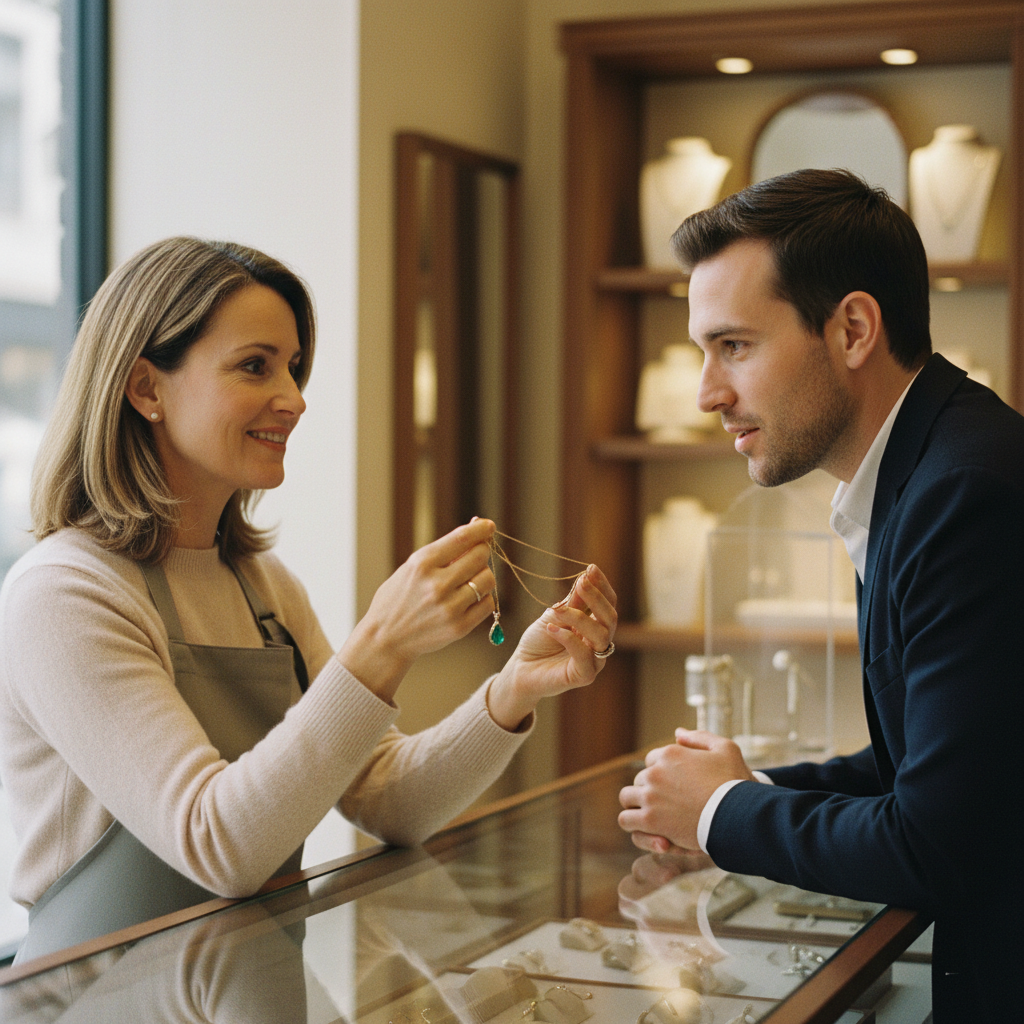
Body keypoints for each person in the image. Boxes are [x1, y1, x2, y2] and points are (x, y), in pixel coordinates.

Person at [0, 236, 617, 962]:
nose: (293, 399)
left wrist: (512, 689)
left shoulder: (259, 584)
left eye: (293, 368)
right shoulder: (64, 594)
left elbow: (389, 800)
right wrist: (381, 643)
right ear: (146, 389)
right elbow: (218, 844)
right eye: (255, 366)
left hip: (247, 993)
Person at [617, 169, 1022, 1021]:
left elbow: (939, 841)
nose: (706, 393)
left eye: (734, 346)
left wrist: (726, 813)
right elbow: (940, 763)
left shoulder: (964, 492)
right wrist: (733, 797)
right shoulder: (929, 466)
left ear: (852, 329)